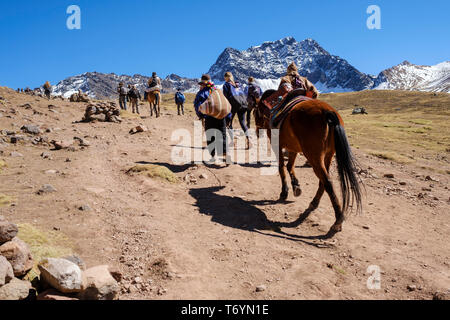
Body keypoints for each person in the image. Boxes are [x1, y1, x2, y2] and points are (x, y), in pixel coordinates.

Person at [194, 74, 228, 163]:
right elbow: (224, 103)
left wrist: (200, 115)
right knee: (222, 134)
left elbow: (198, 106)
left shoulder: (201, 93)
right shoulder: (217, 90)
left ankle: (212, 155)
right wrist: (228, 116)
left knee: (210, 136)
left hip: (209, 118)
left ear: (202, 84)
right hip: (221, 116)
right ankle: (224, 151)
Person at [222, 71, 250, 148]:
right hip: (243, 104)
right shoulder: (238, 84)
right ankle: (249, 140)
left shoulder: (226, 85)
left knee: (229, 123)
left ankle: (232, 142)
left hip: (233, 105)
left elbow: (226, 97)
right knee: (243, 123)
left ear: (225, 78)